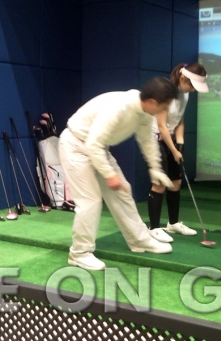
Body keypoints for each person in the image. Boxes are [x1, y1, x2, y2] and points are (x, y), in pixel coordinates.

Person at [59, 77, 177, 271]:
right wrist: (108, 174)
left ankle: (139, 240)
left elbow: (147, 141)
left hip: (98, 148)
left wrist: (155, 168)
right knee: (90, 201)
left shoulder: (145, 113)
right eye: (164, 106)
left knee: (123, 191)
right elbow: (93, 144)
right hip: (75, 145)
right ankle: (79, 253)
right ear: (152, 101)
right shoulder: (118, 107)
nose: (164, 110)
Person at [147, 63, 208, 243]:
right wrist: (174, 150)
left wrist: (180, 143)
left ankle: (172, 224)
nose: (193, 90)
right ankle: (154, 228)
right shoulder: (165, 93)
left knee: (175, 182)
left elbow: (179, 120)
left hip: (171, 138)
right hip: (155, 139)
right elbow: (161, 126)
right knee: (160, 182)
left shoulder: (185, 94)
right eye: (192, 85)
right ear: (183, 78)